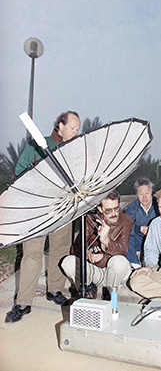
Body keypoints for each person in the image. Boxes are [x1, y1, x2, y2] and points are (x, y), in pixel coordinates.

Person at [5, 111, 81, 323]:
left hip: (62, 210)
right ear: (60, 125)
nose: (76, 132)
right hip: (37, 211)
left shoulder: (75, 150)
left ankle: (55, 290)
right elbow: (19, 173)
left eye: (78, 129)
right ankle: (23, 303)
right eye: (73, 127)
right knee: (31, 255)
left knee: (60, 250)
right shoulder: (36, 146)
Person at [61, 190, 133, 298]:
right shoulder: (90, 219)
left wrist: (107, 241)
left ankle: (111, 293)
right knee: (68, 262)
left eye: (116, 208)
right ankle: (88, 288)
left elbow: (122, 250)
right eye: (108, 210)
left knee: (120, 262)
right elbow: (76, 247)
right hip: (95, 271)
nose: (114, 213)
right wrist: (86, 254)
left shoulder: (126, 220)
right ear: (100, 209)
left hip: (115, 273)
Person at [126, 177, 159, 269]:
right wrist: (140, 228)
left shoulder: (159, 204)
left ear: (152, 193)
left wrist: (151, 229)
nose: (144, 197)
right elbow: (125, 226)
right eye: (141, 193)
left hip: (154, 240)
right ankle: (135, 265)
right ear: (137, 194)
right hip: (138, 241)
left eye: (147, 193)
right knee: (126, 236)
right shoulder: (132, 207)